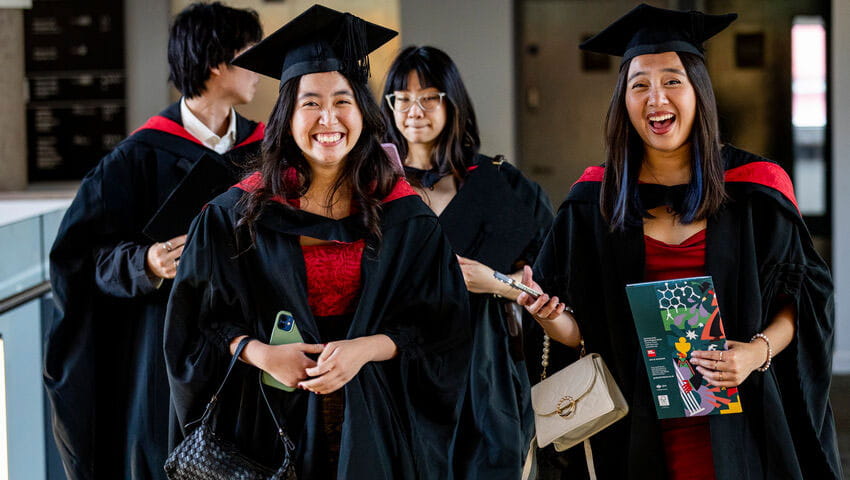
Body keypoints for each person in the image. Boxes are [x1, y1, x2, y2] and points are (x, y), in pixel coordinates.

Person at [518, 4, 841, 479]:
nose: (656, 98)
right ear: (622, 102)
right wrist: (547, 317)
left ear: (698, 93)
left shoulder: (755, 189)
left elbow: (803, 299)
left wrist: (754, 354)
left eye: (672, 81)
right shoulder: (594, 202)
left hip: (742, 421)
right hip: (635, 427)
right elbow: (582, 334)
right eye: (639, 84)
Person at [164, 6, 472, 480]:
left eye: (342, 101)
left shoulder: (405, 217)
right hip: (267, 429)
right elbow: (197, 322)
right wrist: (261, 352)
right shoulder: (238, 215)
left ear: (364, 113)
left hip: (375, 426)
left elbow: (440, 325)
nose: (328, 118)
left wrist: (366, 348)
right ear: (287, 115)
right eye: (310, 103)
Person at [44, 3, 263, 479]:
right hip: (162, 353)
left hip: (252, 348)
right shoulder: (137, 158)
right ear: (216, 62)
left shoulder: (264, 151)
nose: (261, 66)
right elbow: (83, 260)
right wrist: (145, 262)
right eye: (251, 51)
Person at [380, 45, 553, 478]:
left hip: (485, 366)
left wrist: (494, 281)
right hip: (401, 367)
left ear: (452, 102)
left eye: (429, 97)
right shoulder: (374, 191)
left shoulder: (501, 184)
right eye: (401, 98)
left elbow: (546, 283)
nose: (413, 110)